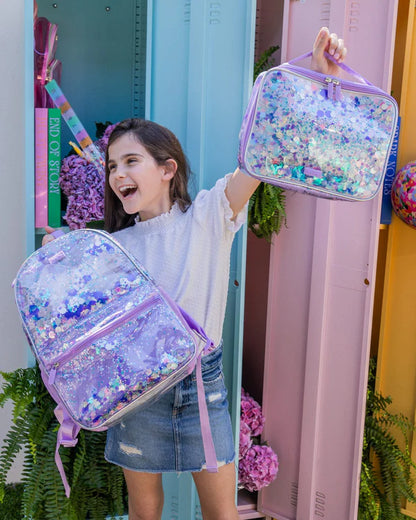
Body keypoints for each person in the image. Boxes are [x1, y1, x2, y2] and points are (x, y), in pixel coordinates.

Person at [43, 27, 346, 520]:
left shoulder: (211, 214)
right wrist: (61, 264)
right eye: (112, 165)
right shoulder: (109, 248)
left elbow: (261, 150)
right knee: (145, 514)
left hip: (201, 386)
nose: (118, 174)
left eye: (131, 161)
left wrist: (311, 72)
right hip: (137, 394)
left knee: (221, 515)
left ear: (167, 168)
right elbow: (82, 326)